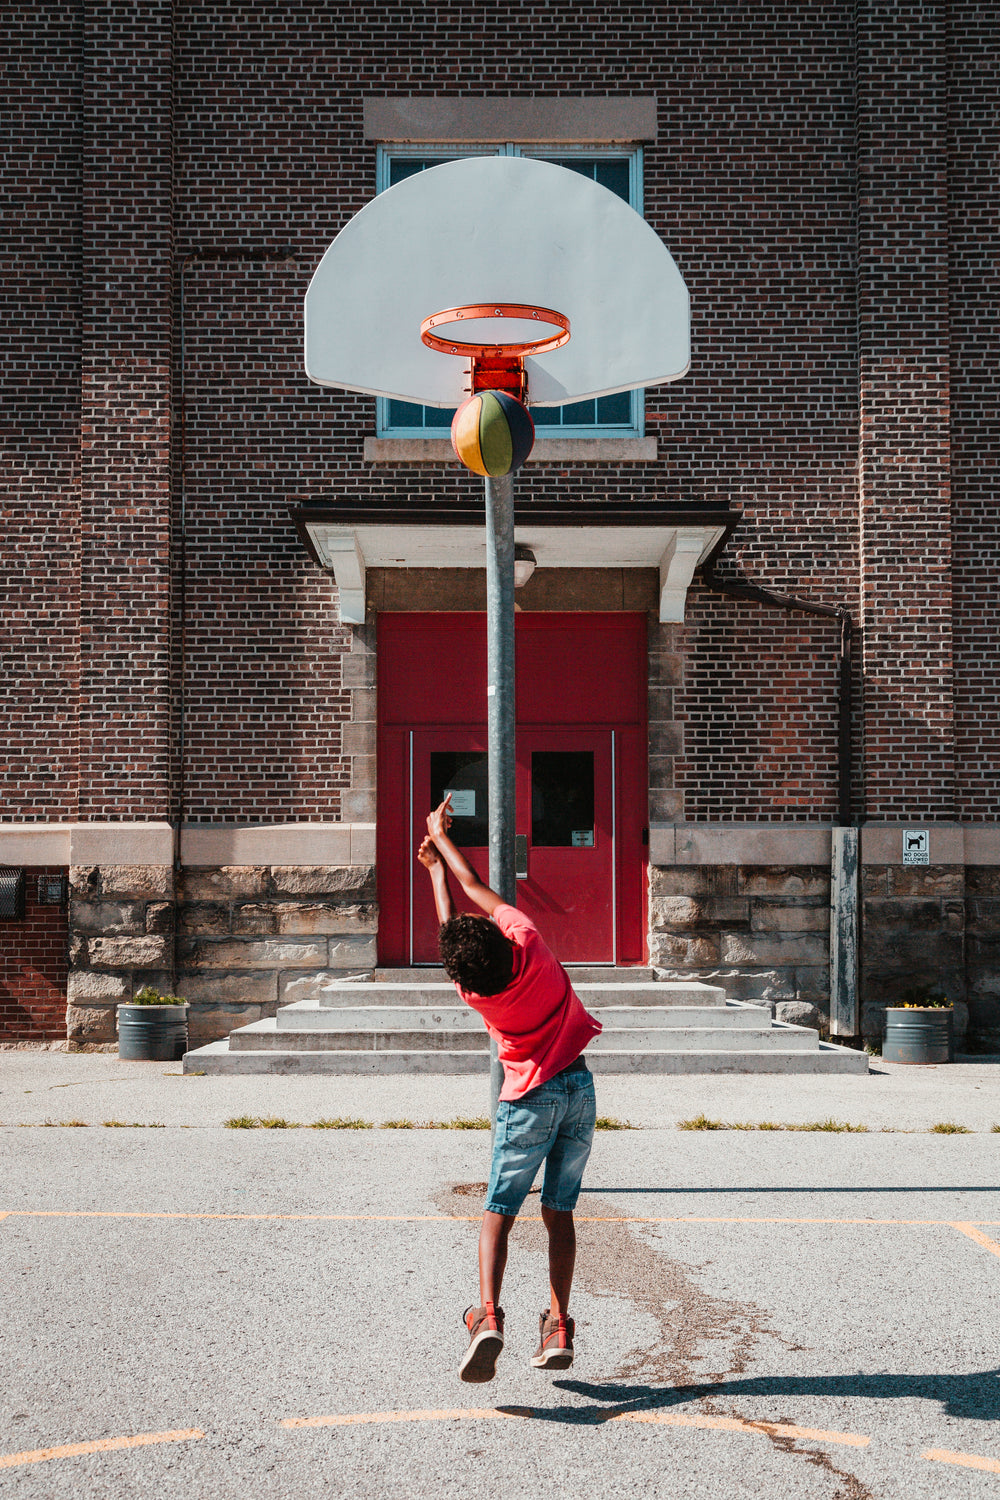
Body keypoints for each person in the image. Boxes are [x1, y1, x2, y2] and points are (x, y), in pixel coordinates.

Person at [417, 794, 601, 1383]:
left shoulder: (475, 993)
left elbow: (453, 935)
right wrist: (443, 842)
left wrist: (430, 876)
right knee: (560, 1211)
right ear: (502, 938)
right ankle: (560, 1324)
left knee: (499, 1210)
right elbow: (478, 891)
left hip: (526, 1100)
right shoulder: (529, 943)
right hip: (578, 1089)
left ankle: (488, 1316)